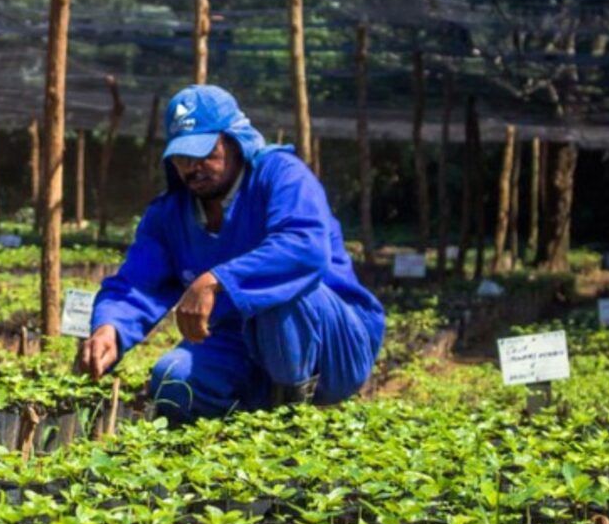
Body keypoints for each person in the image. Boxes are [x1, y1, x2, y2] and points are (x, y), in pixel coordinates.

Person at [76, 85, 385, 424]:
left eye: (205, 153)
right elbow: (137, 283)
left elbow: (305, 248)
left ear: (235, 141)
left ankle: (298, 417)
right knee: (172, 380)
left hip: (333, 343)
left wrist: (218, 280)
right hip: (238, 341)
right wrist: (110, 328)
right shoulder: (170, 214)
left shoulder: (282, 175)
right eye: (181, 157)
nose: (192, 167)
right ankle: (256, 418)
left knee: (277, 296)